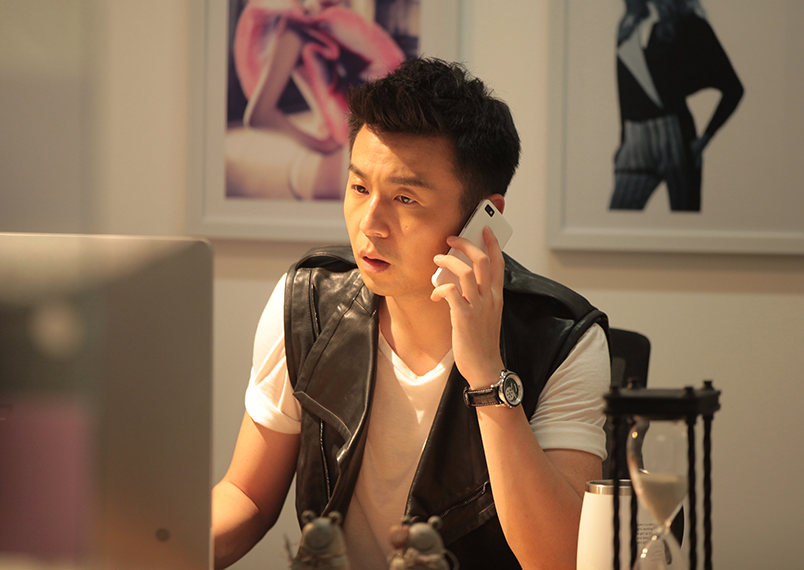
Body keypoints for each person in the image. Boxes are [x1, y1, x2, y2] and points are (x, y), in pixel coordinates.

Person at [213, 57, 611, 570]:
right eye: (360, 189)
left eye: (404, 198)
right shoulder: (308, 303)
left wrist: (487, 375)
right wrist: (158, 546)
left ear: (483, 217)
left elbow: (560, 560)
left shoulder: (563, 338)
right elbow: (246, 495)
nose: (370, 224)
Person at [227, 0, 406, 200]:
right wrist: (319, 145)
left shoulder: (345, 24)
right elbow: (258, 115)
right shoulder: (296, 29)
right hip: (333, 159)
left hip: (360, 151)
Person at [609, 0, 744, 212]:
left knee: (685, 219)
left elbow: (733, 88)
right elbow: (625, 91)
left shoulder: (691, 26)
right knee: (619, 215)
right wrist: (624, 141)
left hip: (676, 135)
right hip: (635, 139)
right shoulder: (628, 27)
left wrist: (704, 140)